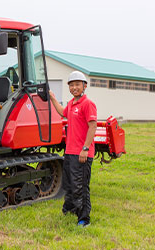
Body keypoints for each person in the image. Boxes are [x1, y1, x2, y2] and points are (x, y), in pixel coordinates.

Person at [49, 71, 97, 227]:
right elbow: (62, 112)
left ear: (84, 86)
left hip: (82, 153)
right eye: (71, 85)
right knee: (68, 185)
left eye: (77, 84)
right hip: (69, 152)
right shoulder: (71, 104)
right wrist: (52, 98)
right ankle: (69, 209)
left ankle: (84, 218)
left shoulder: (87, 104)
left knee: (80, 186)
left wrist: (85, 148)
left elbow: (92, 126)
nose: (74, 87)